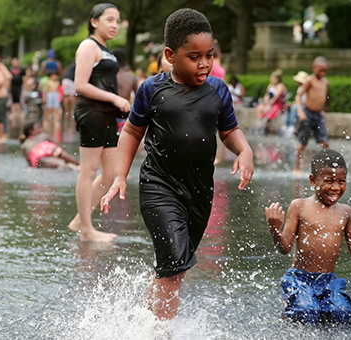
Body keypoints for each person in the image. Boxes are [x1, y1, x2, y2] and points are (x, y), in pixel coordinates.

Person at [101, 8, 254, 321]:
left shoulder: (218, 90)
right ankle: (163, 332)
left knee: (174, 269)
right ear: (170, 55)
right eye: (194, 56)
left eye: (209, 55)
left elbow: (229, 131)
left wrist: (244, 149)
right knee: (174, 264)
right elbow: (131, 131)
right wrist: (120, 176)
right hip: (159, 187)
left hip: (199, 193)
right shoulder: (152, 90)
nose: (205, 64)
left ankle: (143, 323)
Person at [265, 149, 351, 324]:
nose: (336, 187)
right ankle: (289, 312)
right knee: (306, 311)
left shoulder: (345, 212)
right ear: (313, 180)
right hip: (299, 278)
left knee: (340, 313)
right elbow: (285, 248)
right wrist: (275, 229)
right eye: (329, 181)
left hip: (327, 281)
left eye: (342, 181)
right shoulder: (299, 206)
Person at [67, 3, 131, 242]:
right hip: (91, 112)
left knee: (111, 173)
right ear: (94, 22)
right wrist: (115, 98)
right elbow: (80, 85)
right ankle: (86, 229)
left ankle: (79, 219)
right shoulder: (88, 46)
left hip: (106, 114)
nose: (114, 25)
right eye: (109, 20)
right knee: (89, 170)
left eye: (117, 21)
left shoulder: (106, 49)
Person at [293, 57, 329, 176]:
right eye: (320, 71)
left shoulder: (325, 82)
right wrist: (300, 111)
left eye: (325, 71)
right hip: (307, 114)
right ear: (314, 68)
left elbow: (322, 97)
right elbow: (298, 97)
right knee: (302, 143)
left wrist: (322, 109)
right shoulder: (310, 81)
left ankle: (326, 168)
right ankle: (297, 168)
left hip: (318, 115)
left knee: (325, 143)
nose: (322, 74)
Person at [283, 70, 308, 137]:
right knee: (287, 106)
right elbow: (297, 99)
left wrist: (294, 104)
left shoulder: (306, 89)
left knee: (294, 108)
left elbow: (305, 101)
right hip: (299, 104)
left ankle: (292, 126)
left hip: (305, 106)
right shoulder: (299, 88)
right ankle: (286, 125)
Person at [42, 72, 62, 139]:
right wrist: (44, 98)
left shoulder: (57, 82)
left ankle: (56, 120)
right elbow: (45, 90)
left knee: (56, 109)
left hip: (55, 94)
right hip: (50, 95)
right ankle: (45, 120)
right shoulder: (48, 82)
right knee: (49, 109)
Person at [9, 57, 26, 129]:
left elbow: (24, 78)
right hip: (13, 87)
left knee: (20, 100)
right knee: (13, 101)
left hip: (20, 87)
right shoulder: (10, 69)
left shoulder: (22, 69)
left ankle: (21, 113)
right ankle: (14, 114)